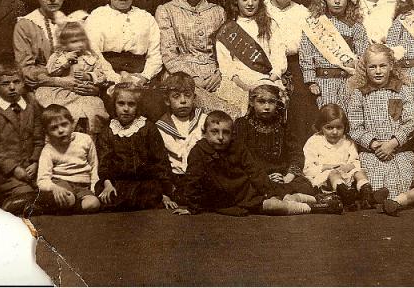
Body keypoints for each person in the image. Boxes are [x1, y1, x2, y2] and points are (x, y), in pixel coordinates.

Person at [174, 110, 342, 216]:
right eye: (214, 132)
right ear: (204, 133)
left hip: (246, 190)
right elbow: (192, 180)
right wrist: (191, 206)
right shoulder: (198, 152)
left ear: (232, 134)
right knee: (275, 206)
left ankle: (313, 201)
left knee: (277, 198)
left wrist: (268, 191)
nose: (220, 137)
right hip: (225, 197)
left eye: (225, 133)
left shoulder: (236, 146)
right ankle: (315, 207)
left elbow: (254, 171)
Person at [13, 0, 109, 134]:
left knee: (94, 110)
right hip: (44, 87)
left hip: (80, 86)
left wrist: (92, 85)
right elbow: (26, 71)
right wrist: (60, 81)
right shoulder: (25, 25)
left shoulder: (75, 22)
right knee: (64, 115)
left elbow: (92, 58)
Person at [155, 0, 227, 113]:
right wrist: (193, 80)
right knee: (212, 109)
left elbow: (226, 53)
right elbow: (169, 54)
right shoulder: (166, 11)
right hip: (180, 75)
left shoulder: (218, 12)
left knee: (240, 103)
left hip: (215, 75)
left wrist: (220, 73)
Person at [347, 44, 414, 200]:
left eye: (382, 66)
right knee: (371, 187)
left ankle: (399, 200)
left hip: (398, 151)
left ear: (391, 66)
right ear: (365, 68)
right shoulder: (359, 94)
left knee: (404, 186)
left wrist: (392, 144)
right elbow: (355, 127)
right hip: (373, 153)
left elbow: (411, 122)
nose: (378, 71)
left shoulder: (402, 90)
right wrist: (376, 145)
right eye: (372, 67)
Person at [95, 84, 176, 211]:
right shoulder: (108, 131)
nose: (126, 109)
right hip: (118, 182)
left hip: (144, 182)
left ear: (138, 106)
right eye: (121, 104)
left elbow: (160, 161)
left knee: (151, 192)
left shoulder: (148, 128)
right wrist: (108, 184)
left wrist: (165, 193)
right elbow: (104, 163)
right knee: (109, 195)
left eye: (131, 104)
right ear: (114, 105)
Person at [214, 0, 287, 117]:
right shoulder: (227, 30)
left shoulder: (269, 25)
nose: (250, 3)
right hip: (238, 81)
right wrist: (242, 84)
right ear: (236, 0)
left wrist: (273, 76)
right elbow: (226, 65)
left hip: (267, 77)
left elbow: (278, 52)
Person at [264, 0, 317, 149]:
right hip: (265, 66)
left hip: (297, 66)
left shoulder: (302, 12)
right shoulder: (261, 10)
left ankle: (299, 153)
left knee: (301, 99)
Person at [85, 0, 163, 92]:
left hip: (140, 77)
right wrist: (116, 78)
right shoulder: (97, 16)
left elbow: (155, 54)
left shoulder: (146, 17)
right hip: (108, 77)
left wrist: (144, 77)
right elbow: (94, 54)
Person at [299, 0, 369, 111]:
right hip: (323, 83)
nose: (337, 1)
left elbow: (364, 55)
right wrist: (311, 81)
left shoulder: (356, 26)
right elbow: (306, 53)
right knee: (328, 120)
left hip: (348, 82)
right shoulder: (314, 24)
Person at [233, 83, 313, 197]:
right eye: (261, 102)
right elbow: (239, 156)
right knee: (244, 187)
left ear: (277, 103)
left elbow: (296, 153)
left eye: (271, 102)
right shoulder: (242, 125)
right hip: (254, 176)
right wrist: (262, 178)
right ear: (251, 102)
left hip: (281, 176)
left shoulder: (283, 126)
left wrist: (287, 177)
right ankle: (289, 200)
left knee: (305, 186)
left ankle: (282, 199)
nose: (266, 107)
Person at [0, 62, 44, 214]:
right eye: (5, 83)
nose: (12, 87)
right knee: (26, 192)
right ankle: (13, 204)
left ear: (23, 83)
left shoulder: (31, 107)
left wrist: (35, 161)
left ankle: (30, 202)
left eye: (16, 82)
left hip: (34, 170)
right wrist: (14, 168)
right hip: (10, 175)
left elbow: (39, 138)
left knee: (52, 188)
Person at [302, 103, 383, 210]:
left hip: (346, 176)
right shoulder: (314, 141)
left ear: (344, 127)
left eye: (339, 127)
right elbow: (308, 169)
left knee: (359, 172)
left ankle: (367, 195)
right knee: (333, 174)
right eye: (329, 128)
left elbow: (355, 161)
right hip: (325, 180)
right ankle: (345, 195)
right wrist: (326, 167)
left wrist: (349, 166)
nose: (335, 132)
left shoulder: (347, 141)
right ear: (321, 127)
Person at [36, 104, 101, 214]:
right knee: (67, 198)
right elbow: (42, 180)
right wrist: (54, 188)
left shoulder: (85, 140)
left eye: (64, 125)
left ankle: (69, 208)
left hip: (82, 186)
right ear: (47, 132)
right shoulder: (48, 149)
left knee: (93, 204)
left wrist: (94, 188)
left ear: (72, 123)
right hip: (61, 184)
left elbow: (94, 166)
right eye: (54, 128)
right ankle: (63, 204)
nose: (60, 130)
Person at [154, 72, 207, 203]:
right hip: (176, 177)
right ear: (167, 100)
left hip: (200, 175)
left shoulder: (204, 121)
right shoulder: (161, 127)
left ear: (194, 97)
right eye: (176, 97)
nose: (183, 101)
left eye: (187, 95)